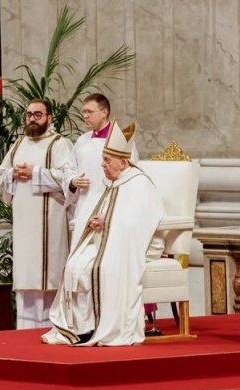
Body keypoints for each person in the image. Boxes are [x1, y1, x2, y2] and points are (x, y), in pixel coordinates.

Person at [42, 120, 164, 346]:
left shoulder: (139, 184)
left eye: (107, 161)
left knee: (101, 268)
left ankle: (100, 326)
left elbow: (140, 222)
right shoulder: (110, 182)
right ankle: (82, 327)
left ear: (123, 161)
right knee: (75, 265)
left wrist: (107, 222)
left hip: (128, 246)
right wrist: (95, 220)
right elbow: (98, 209)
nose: (103, 166)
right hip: (105, 241)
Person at [0, 99, 78, 329]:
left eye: (38, 114)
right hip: (24, 224)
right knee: (27, 277)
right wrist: (13, 174)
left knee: (49, 276)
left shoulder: (60, 144)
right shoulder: (19, 143)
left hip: (50, 222)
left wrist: (36, 173)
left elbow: (69, 180)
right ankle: (26, 329)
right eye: (29, 114)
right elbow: (1, 175)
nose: (32, 119)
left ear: (49, 117)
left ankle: (53, 327)